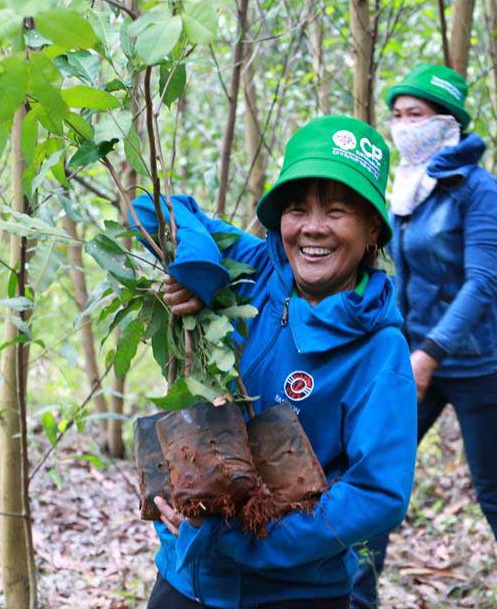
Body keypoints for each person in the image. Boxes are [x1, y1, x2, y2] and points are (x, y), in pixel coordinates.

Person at [130, 115, 418, 609]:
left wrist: (246, 540)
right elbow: (152, 210)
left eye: (337, 211)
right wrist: (200, 267)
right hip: (189, 578)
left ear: (373, 227)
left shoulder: (380, 350)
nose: (312, 228)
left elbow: (378, 495)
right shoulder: (251, 269)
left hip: (294, 591)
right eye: (297, 209)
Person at [351, 65, 497, 609]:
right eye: (397, 115)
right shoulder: (409, 187)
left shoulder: (479, 192)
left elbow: (481, 283)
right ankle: (357, 600)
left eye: (415, 115)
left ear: (447, 122)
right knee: (375, 477)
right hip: (413, 361)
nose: (403, 125)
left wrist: (430, 353)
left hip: (478, 365)